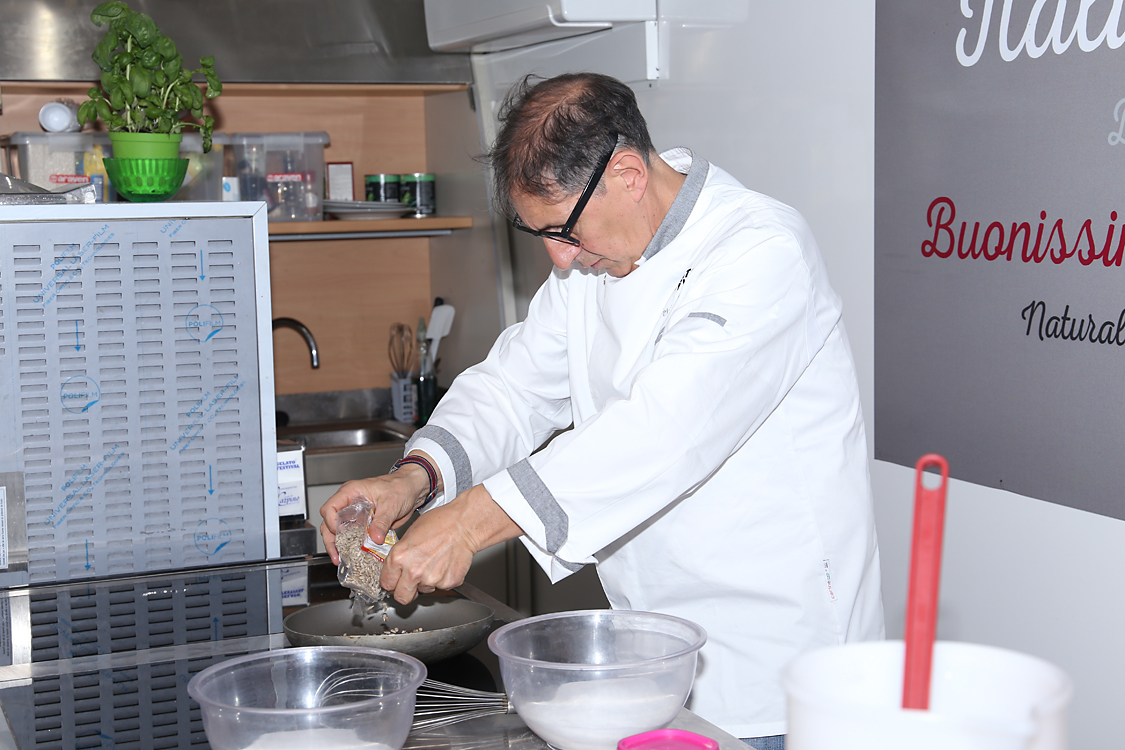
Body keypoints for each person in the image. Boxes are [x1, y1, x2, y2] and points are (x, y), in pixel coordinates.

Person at [320, 72, 884, 748]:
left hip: (775, 658)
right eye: (540, 235)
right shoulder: (591, 262)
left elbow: (663, 431)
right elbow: (514, 386)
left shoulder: (759, 251)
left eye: (563, 229)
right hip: (657, 650)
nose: (558, 257)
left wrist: (469, 523)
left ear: (626, 174)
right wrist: (415, 478)